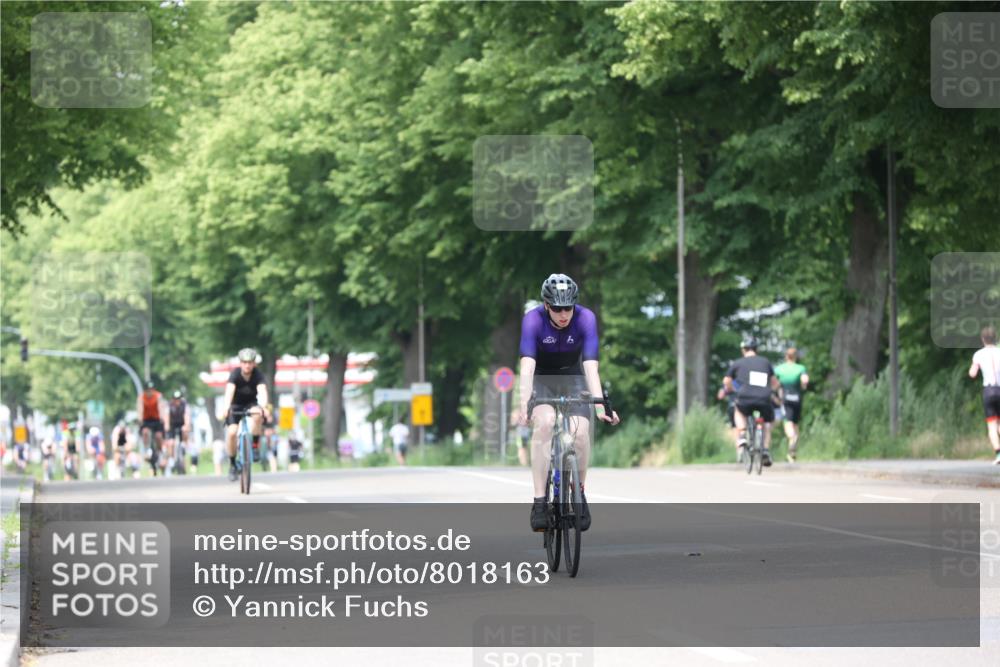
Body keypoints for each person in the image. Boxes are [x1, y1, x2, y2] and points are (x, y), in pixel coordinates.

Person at [518, 274, 620, 533]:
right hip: (542, 379)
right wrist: (524, 404)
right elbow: (527, 368)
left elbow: (591, 368)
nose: (564, 314)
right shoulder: (533, 320)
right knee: (545, 423)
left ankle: (580, 493)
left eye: (568, 308)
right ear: (546, 305)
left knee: (580, 432)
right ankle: (540, 501)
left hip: (574, 378)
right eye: (558, 308)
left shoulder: (586, 318)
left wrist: (600, 407)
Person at [724, 337, 781, 467]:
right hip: (763, 399)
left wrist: (733, 390)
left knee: (738, 411)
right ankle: (765, 449)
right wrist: (769, 391)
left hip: (744, 398)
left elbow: (726, 381)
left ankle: (743, 434)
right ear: (756, 349)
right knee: (766, 422)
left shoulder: (738, 363)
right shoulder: (765, 362)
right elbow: (775, 383)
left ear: (743, 350)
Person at [219, 347, 269, 481]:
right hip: (235, 405)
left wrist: (263, 407)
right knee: (231, 432)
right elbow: (229, 391)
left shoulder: (258, 374)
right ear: (240, 363)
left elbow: (262, 390)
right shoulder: (235, 374)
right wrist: (226, 407)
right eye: (244, 362)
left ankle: (255, 445)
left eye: (250, 362)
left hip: (251, 404)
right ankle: (233, 464)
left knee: (258, 414)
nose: (247, 365)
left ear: (254, 363)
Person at [968, 325, 1000, 465]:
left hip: (988, 391)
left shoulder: (978, 354)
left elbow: (972, 373)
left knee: (992, 425)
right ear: (995, 338)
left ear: (983, 339)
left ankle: (998, 454)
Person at [774, 348, 809, 462]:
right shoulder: (800, 368)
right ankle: (792, 453)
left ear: (786, 356)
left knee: (788, 423)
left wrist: (776, 392)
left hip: (786, 399)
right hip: (797, 399)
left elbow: (773, 383)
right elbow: (805, 380)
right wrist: (803, 387)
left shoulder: (779, 369)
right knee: (795, 423)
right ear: (796, 357)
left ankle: (792, 439)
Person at [137, 381, 167, 475]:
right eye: (148, 390)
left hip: (157, 419)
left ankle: (160, 452)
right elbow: (140, 408)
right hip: (146, 420)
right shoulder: (141, 397)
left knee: (158, 436)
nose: (150, 392)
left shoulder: (158, 396)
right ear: (145, 391)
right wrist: (140, 418)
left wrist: (162, 417)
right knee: (145, 432)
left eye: (151, 390)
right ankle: (146, 450)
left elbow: (161, 407)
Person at [166, 390, 191, 473]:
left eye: (179, 399)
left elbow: (186, 416)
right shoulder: (169, 405)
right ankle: (171, 459)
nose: (177, 401)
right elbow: (167, 416)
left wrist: (186, 425)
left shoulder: (184, 405)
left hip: (181, 424)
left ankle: (184, 444)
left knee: (185, 430)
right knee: (171, 443)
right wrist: (167, 426)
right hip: (172, 425)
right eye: (175, 399)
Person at [716, 382, 740, 460]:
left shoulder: (729, 379)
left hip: (733, 406)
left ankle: (739, 452)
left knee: (736, 429)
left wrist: (727, 389)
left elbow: (720, 396)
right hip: (748, 404)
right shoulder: (747, 374)